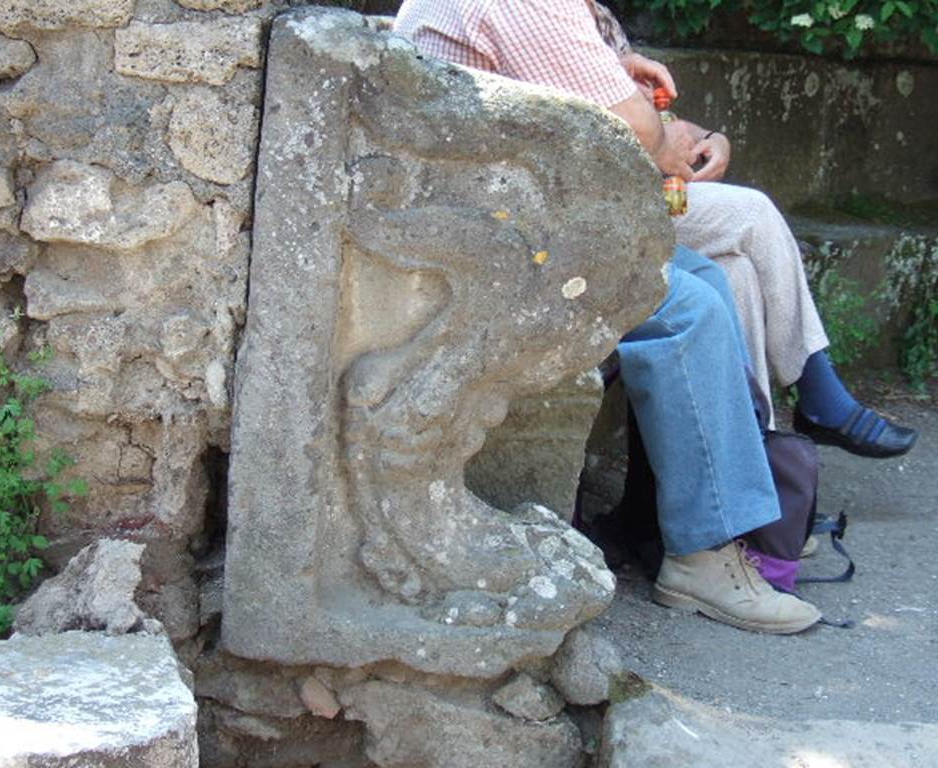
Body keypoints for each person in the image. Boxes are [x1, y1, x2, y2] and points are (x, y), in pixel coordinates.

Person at [393, 0, 822, 634]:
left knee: (703, 276)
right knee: (686, 306)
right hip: (485, 251)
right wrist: (661, 128)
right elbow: (641, 136)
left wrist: (622, 76)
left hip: (489, 224)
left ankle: (703, 523)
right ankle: (702, 558)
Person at [580, 0, 917, 455]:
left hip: (653, 197)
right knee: (753, 212)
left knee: (735, 272)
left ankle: (763, 463)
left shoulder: (595, 17)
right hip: (599, 210)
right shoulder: (537, 15)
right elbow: (628, 131)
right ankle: (818, 392)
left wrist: (712, 140)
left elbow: (660, 118)